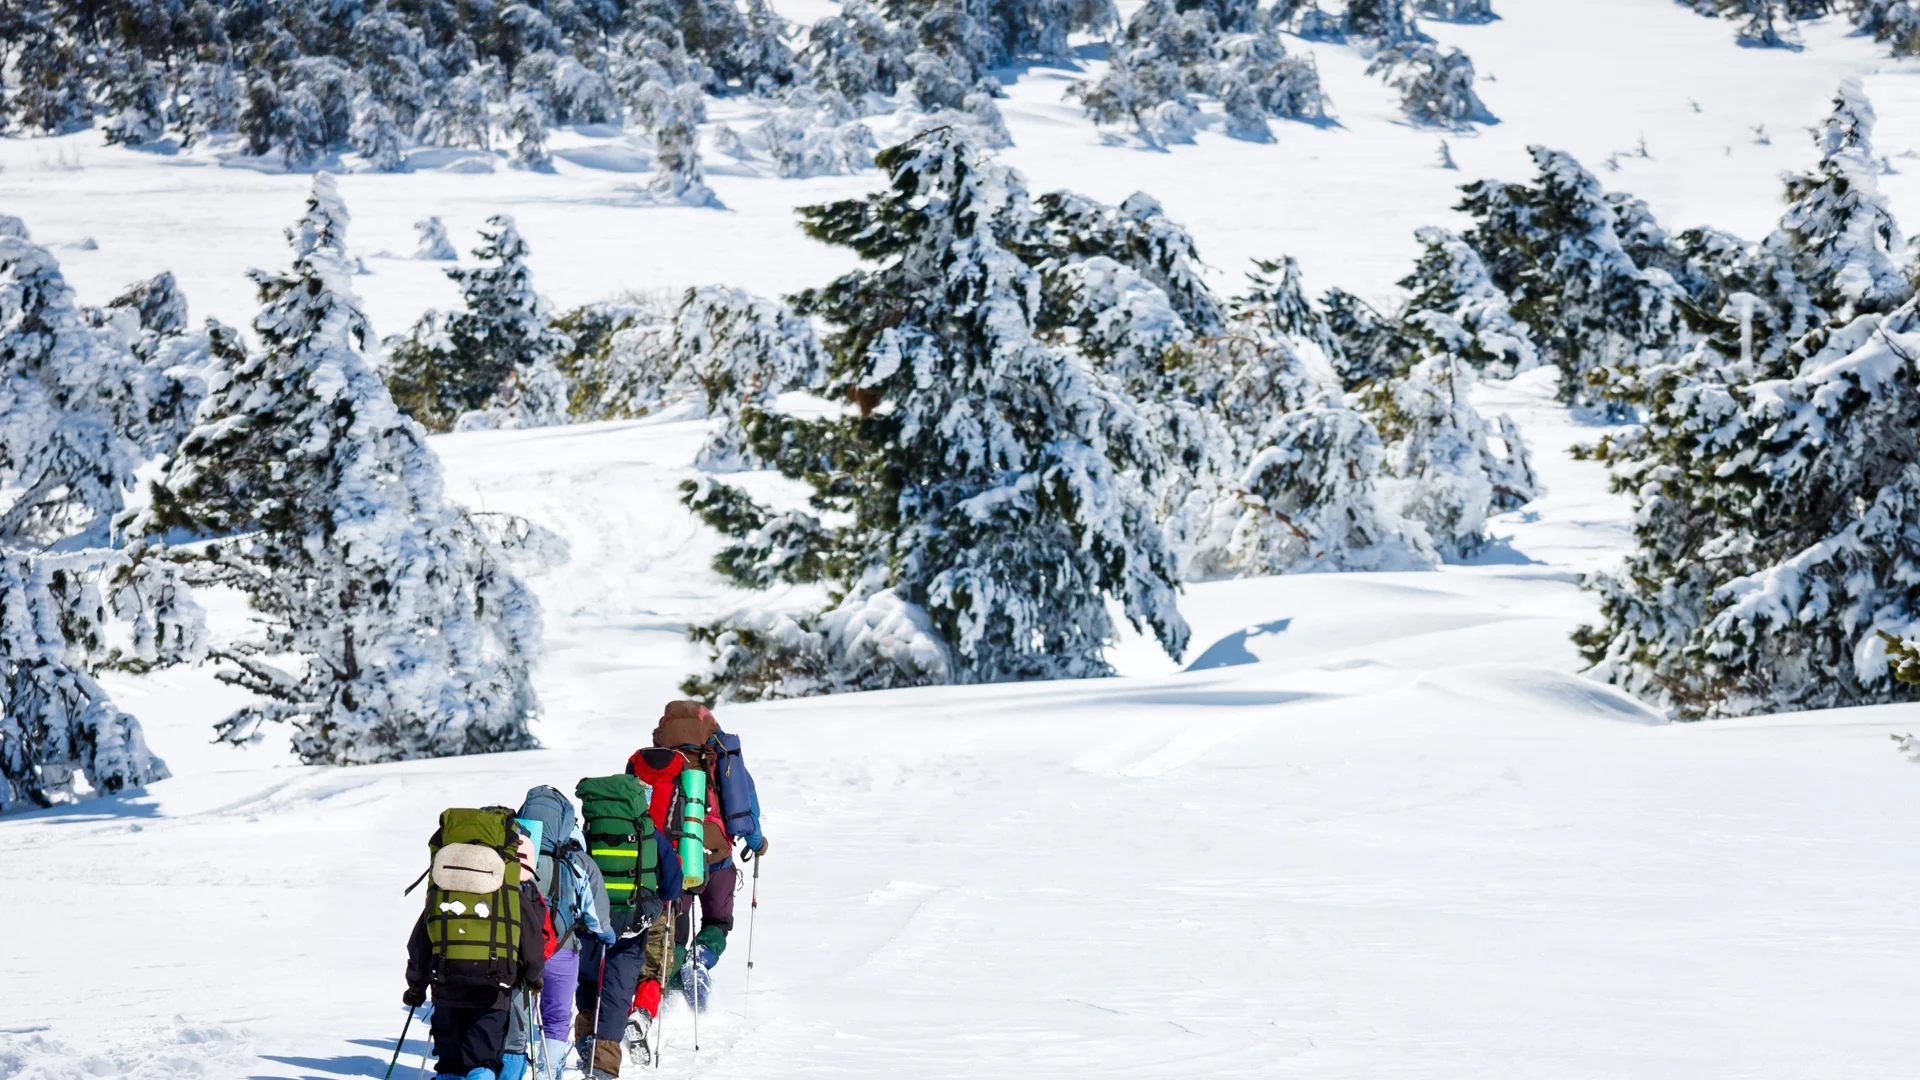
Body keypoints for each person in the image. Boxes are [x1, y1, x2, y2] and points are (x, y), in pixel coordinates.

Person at [642, 701, 768, 1010]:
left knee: (674, 931)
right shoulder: (722, 756)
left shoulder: (655, 760)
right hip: (719, 855)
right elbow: (745, 802)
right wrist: (757, 842)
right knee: (718, 920)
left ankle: (670, 995)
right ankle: (700, 961)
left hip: (671, 861)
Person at [405, 809, 547, 1080]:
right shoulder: (508, 890)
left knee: (449, 1063)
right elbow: (529, 940)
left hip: (446, 985)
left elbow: (420, 944)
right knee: (481, 1061)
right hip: (494, 990)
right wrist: (531, 977)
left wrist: (416, 987)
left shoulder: (444, 889)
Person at [576, 773, 680, 1077]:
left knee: (588, 980)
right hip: (634, 922)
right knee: (617, 990)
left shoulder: (588, 831)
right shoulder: (648, 830)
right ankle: (604, 1066)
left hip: (591, 920)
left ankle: (585, 1041)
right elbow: (673, 884)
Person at [516, 787, 617, 1080]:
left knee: (520, 1018)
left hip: (519, 952)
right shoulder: (577, 861)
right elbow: (596, 918)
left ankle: (517, 1063)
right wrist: (606, 934)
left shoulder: (513, 856)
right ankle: (550, 1072)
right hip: (561, 950)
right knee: (556, 1018)